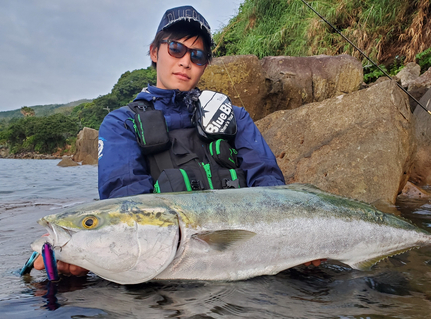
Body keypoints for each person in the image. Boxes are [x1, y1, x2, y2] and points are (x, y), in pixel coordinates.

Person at [34, 5, 285, 276]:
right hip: (169, 269)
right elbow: (127, 210)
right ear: (155, 52)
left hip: (253, 257)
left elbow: (270, 184)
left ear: (204, 65)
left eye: (198, 56)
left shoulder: (235, 116)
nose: (186, 61)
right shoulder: (121, 123)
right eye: (176, 49)